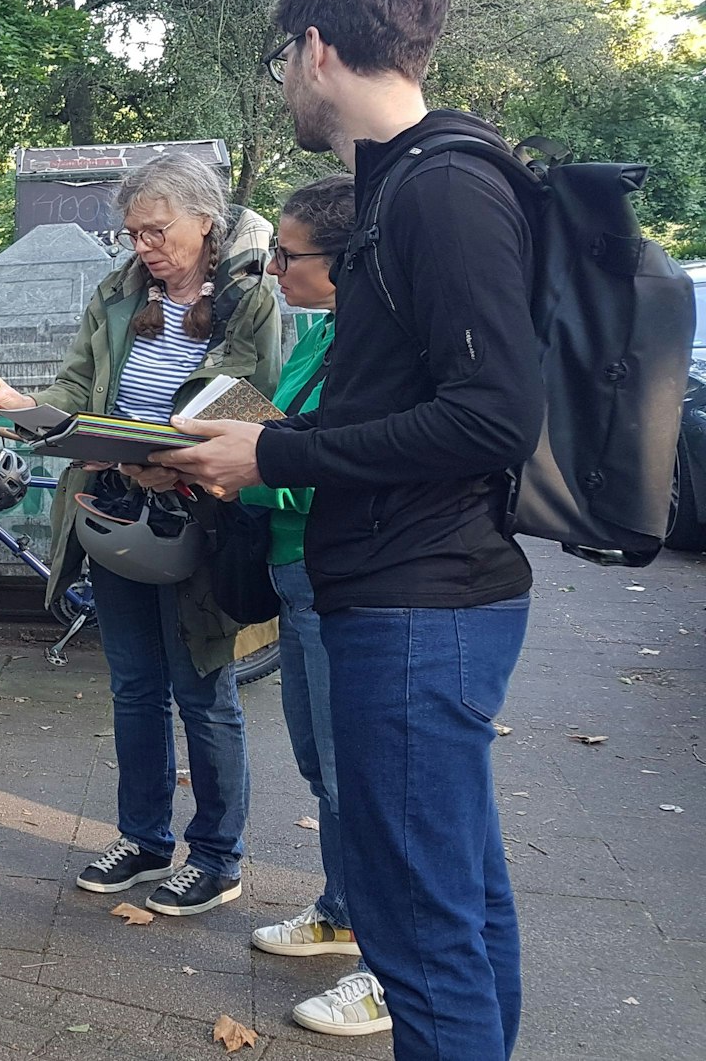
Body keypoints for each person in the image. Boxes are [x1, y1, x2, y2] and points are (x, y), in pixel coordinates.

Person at [155, 0, 544, 1058]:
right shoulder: (407, 183)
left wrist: (277, 459)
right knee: (457, 904)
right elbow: (404, 402)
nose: (285, 80)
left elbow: (488, 420)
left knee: (417, 926)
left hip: (422, 605)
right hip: (413, 593)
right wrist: (262, 440)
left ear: (316, 49)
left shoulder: (444, 186)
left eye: (285, 56)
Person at [0, 152, 280, 917]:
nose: (142, 245)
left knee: (202, 691)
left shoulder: (252, 300)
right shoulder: (119, 292)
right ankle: (143, 838)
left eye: (156, 229)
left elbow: (252, 405)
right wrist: (26, 404)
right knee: (135, 687)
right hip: (115, 509)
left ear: (205, 221)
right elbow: (78, 385)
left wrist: (166, 459)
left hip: (198, 516)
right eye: (133, 231)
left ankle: (216, 856)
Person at [238, 174, 394, 1037]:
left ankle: (388, 969)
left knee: (362, 775)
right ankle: (340, 910)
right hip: (299, 576)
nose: (271, 265)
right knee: (321, 764)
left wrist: (237, 466)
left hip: (340, 576)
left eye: (288, 254)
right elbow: (287, 432)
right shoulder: (325, 330)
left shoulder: (367, 344)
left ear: (342, 263)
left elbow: (315, 466)